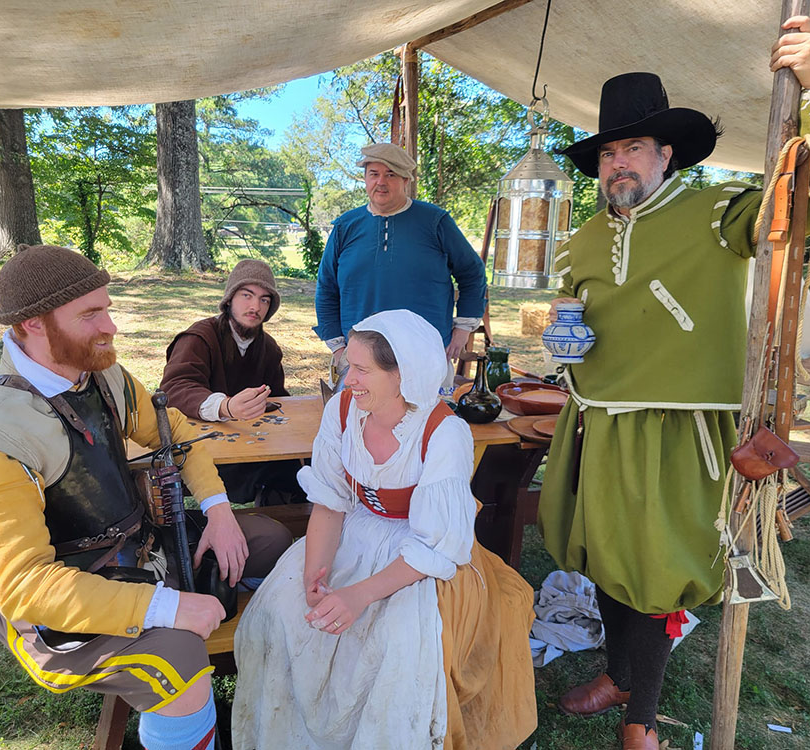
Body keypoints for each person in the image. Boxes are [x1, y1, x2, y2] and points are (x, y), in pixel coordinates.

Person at [538, 16, 810, 750]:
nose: (619, 163)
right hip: (598, 422)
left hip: (680, 430)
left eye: (634, 148)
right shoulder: (585, 236)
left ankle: (640, 721)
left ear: (666, 154)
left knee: (654, 570)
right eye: (610, 151)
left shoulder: (718, 213)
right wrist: (566, 336)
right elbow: (574, 317)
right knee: (604, 559)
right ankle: (620, 673)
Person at [0, 245, 292, 750]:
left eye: (106, 307)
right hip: (59, 614)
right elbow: (23, 587)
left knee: (269, 536)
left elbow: (175, 431)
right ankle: (189, 725)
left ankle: (255, 668)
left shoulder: (102, 375)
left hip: (142, 549)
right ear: (34, 324)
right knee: (176, 655)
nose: (111, 326)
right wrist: (166, 607)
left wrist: (219, 512)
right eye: (91, 314)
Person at [231, 309, 537, 750]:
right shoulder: (342, 410)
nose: (347, 378)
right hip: (353, 532)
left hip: (420, 556)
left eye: (361, 369)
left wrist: (358, 594)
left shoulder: (443, 432)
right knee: (283, 610)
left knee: (394, 646)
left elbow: (437, 545)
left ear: (403, 375)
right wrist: (314, 574)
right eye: (347, 365)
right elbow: (331, 503)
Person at [313, 143, 488, 386]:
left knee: (427, 423)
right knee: (356, 422)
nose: (381, 182)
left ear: (406, 180)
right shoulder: (346, 227)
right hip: (360, 359)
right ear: (365, 179)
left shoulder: (435, 222)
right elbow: (326, 288)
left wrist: (463, 329)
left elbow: (473, 274)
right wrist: (337, 346)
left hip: (424, 356)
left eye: (391, 174)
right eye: (374, 174)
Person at [161, 258, 305, 505]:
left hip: (250, 444)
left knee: (304, 466)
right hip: (199, 448)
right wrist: (225, 406)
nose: (255, 306)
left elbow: (278, 398)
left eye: (264, 300)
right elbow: (174, 388)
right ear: (229, 300)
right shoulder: (199, 338)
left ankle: (283, 515)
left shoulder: (268, 348)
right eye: (247, 295)